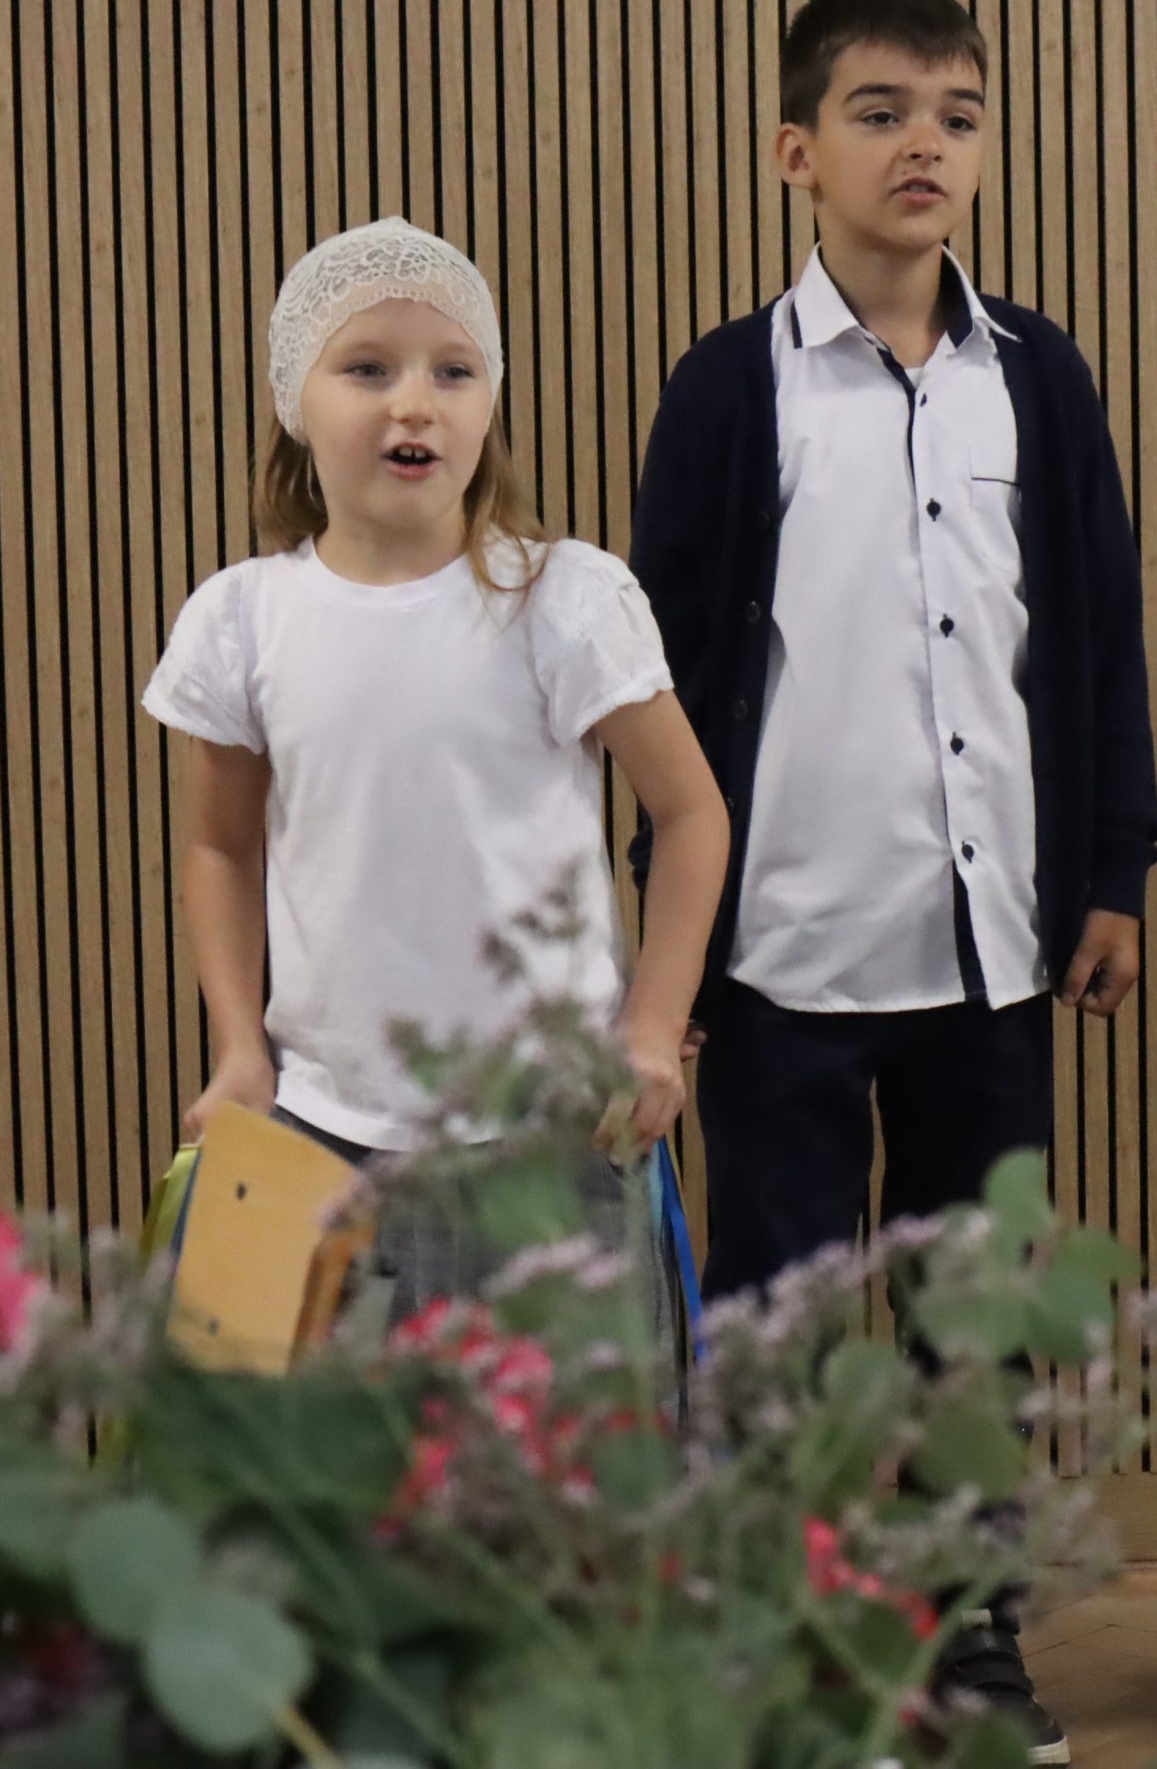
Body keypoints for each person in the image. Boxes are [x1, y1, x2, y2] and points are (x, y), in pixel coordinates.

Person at [629, 0, 1157, 1765]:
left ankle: (965, 1623)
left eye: (956, 113)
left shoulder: (1041, 377)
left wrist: (1113, 867)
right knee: (777, 1316)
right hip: (782, 942)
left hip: (989, 941)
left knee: (969, 1315)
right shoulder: (732, 388)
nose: (923, 142)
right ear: (797, 151)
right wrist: (670, 957)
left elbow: (1093, 634)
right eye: (879, 111)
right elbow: (666, 685)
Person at [145, 217, 729, 1320]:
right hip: (316, 1135)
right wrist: (239, 1048)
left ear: (489, 404)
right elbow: (221, 846)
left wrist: (653, 1026)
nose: (415, 401)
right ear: (294, 401)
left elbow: (692, 814)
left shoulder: (561, 599)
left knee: (567, 1432)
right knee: (323, 1432)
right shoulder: (241, 620)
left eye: (453, 371)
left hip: (554, 1135)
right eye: (368, 368)